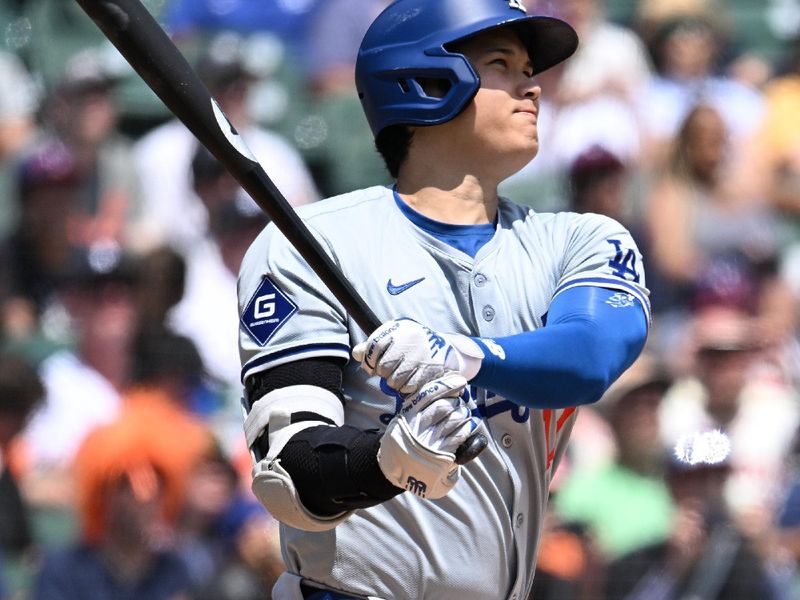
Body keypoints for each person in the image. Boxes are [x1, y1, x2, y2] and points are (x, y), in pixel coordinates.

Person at [237, 1, 649, 599]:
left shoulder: (580, 240)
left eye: (528, 67)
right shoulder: (314, 245)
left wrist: (461, 356)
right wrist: (389, 461)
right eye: (502, 64)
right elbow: (291, 478)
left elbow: (589, 356)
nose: (531, 86)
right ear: (426, 82)